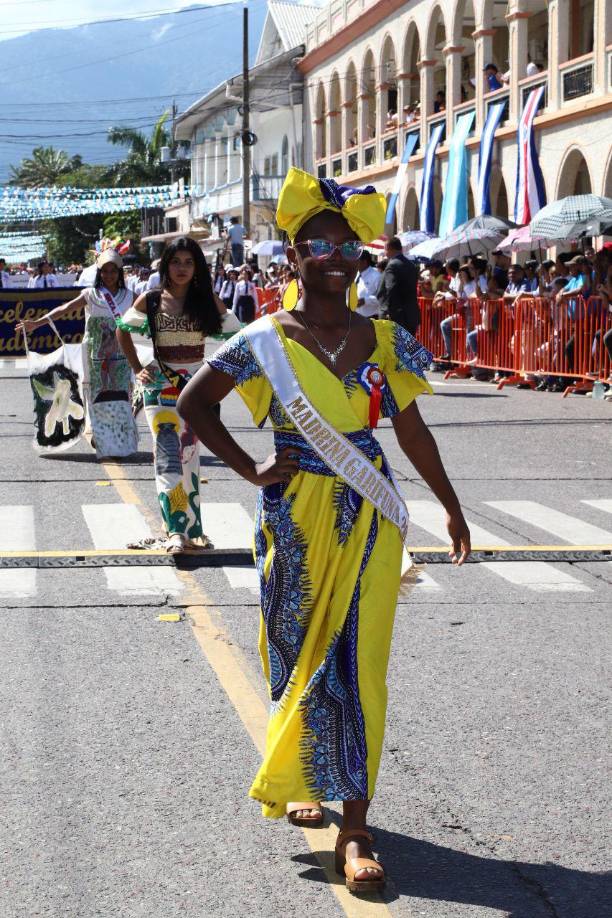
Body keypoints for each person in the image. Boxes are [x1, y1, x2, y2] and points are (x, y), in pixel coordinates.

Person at [176, 166, 470, 894]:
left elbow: (410, 427)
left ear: (361, 257)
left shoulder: (386, 340)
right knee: (296, 645)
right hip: (294, 511)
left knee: (362, 664)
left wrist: (450, 503)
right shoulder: (262, 339)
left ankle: (358, 824)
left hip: (371, 517)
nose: (336, 256)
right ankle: (304, 771)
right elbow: (194, 404)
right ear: (296, 255)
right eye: (320, 244)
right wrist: (250, 471)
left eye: (347, 246)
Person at [116, 237, 227, 554]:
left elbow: (238, 333)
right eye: (176, 262)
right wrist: (137, 367)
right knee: (167, 459)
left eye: (188, 262)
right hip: (158, 388)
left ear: (197, 268)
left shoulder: (206, 300)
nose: (182, 268)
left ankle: (188, 530)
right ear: (166, 265)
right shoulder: (150, 300)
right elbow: (122, 330)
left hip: (196, 391)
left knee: (189, 458)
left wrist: (220, 373)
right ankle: (177, 532)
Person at [17, 249, 138, 458]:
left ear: (120, 273)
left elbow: (151, 313)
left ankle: (122, 443)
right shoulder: (90, 295)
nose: (109, 275)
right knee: (98, 399)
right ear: (100, 273)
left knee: (121, 398)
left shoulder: (130, 297)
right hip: (95, 357)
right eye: (105, 271)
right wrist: (36, 324)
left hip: (121, 357)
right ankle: (104, 443)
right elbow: (64, 309)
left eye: (113, 271)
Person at [377, 236, 420, 333]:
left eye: (385, 249)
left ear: (390, 249)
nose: (385, 253)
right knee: (408, 347)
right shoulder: (411, 265)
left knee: (392, 347)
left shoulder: (392, 265)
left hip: (396, 318)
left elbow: (391, 290)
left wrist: (388, 312)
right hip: (411, 316)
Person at [355, 249, 380, 317]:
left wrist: (365, 301)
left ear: (364, 262)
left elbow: (383, 298)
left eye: (356, 259)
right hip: (354, 317)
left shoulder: (376, 276)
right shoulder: (355, 274)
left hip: (370, 319)